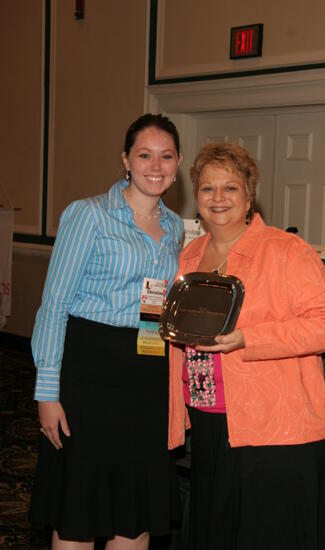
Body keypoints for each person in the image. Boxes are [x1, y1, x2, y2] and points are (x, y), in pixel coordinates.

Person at [167, 142, 325, 550]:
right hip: (211, 421)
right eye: (208, 188)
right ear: (197, 195)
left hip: (276, 430)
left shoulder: (286, 251)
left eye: (230, 188)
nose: (218, 198)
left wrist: (250, 339)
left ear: (250, 195)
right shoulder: (189, 255)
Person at [29, 113, 184, 549]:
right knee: (78, 508)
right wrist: (47, 392)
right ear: (126, 160)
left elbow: (157, 307)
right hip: (88, 375)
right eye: (145, 155)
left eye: (166, 156)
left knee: (134, 510)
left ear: (178, 162)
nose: (156, 166)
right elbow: (55, 304)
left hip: (146, 375)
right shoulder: (89, 215)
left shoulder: (174, 227)